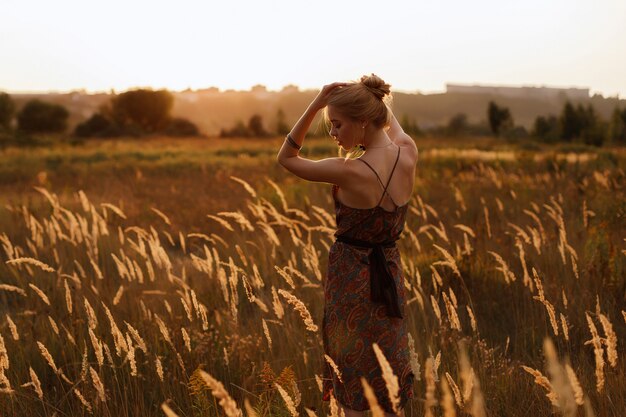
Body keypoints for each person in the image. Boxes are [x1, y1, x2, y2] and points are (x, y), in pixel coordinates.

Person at [277, 74, 418, 417]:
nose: (333, 133)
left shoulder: (348, 171)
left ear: (363, 121)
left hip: (350, 279)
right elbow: (388, 127)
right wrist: (374, 98)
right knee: (388, 363)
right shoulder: (408, 153)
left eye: (337, 124)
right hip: (389, 275)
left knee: (351, 367)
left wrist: (316, 103)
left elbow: (287, 158)